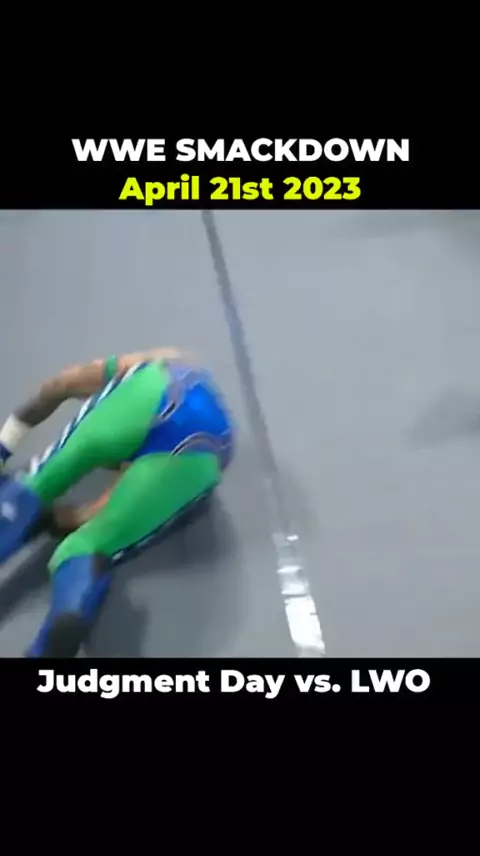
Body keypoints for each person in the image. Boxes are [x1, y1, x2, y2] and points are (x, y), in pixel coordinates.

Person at [0, 347, 234, 657]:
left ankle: (21, 504)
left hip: (155, 389)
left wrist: (6, 443)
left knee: (42, 478)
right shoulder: (171, 363)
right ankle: (67, 613)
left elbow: (59, 385)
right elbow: (95, 512)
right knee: (90, 543)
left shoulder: (139, 369)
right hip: (205, 449)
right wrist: (57, 520)